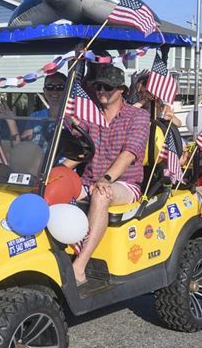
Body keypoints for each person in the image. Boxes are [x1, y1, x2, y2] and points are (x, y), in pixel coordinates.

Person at [62, 64, 150, 285]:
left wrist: (107, 179)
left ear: (121, 90)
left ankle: (80, 266)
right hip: (89, 179)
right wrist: (58, 173)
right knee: (54, 187)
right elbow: (80, 152)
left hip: (125, 183)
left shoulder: (137, 117)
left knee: (102, 193)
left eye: (107, 87)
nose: (101, 91)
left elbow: (129, 154)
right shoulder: (90, 116)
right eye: (98, 87)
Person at [0, 72, 66, 148]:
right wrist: (11, 122)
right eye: (49, 86)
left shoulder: (74, 117)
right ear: (44, 90)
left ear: (67, 90)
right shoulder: (36, 117)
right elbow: (20, 148)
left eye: (60, 87)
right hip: (38, 159)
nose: (54, 91)